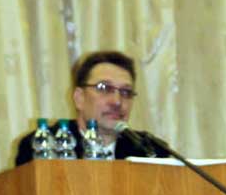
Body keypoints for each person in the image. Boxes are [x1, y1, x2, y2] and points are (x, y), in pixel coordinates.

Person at [15, 50, 170, 164]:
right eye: (104, 88)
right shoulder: (45, 146)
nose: (117, 101)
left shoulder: (150, 152)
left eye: (126, 92)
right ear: (79, 98)